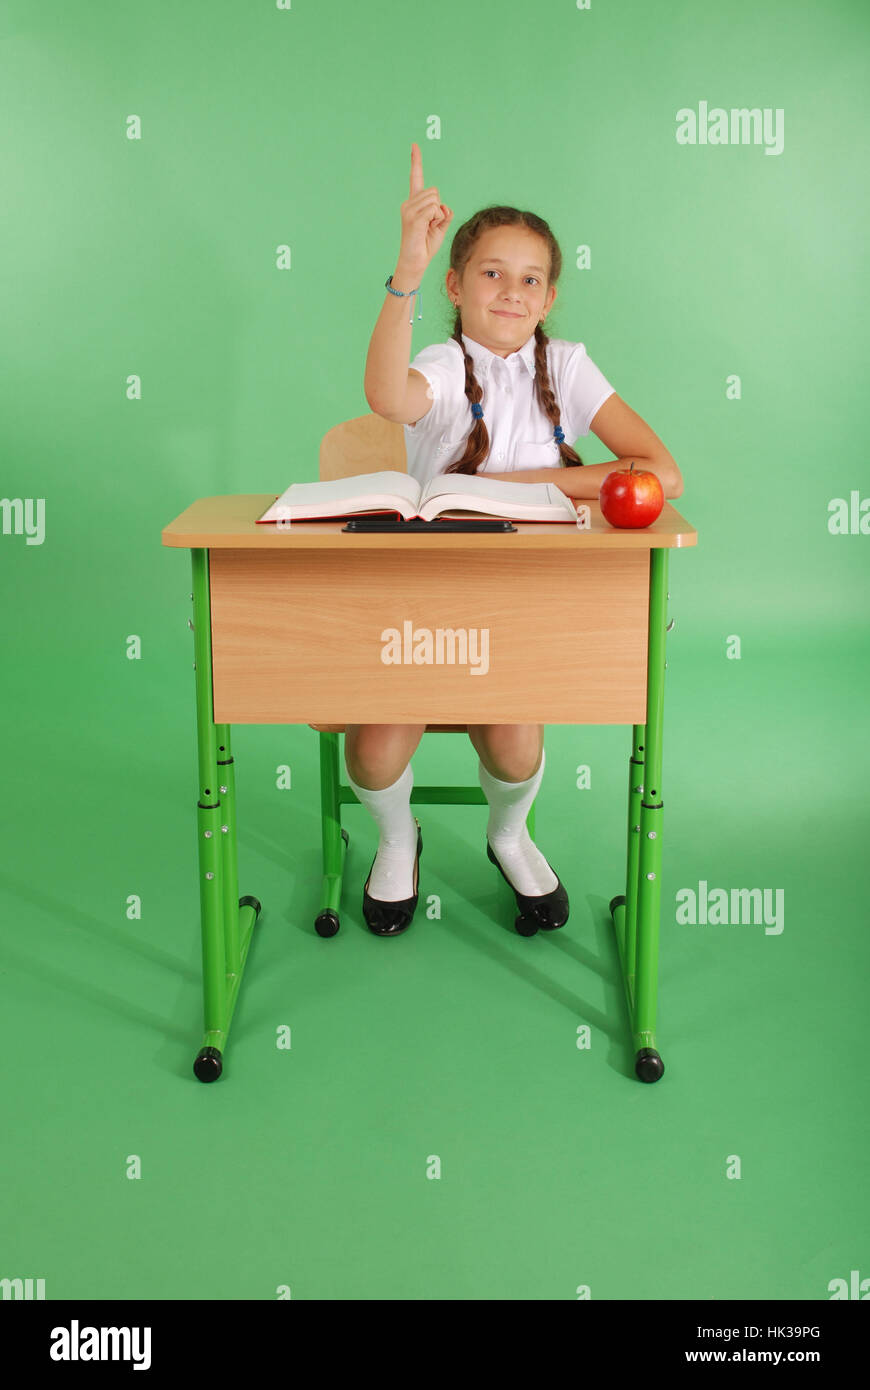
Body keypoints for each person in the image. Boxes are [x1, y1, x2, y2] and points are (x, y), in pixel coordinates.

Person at [352, 141, 683, 938]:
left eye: (530, 277)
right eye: (492, 273)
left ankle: (507, 835)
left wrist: (514, 486)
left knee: (513, 751)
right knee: (372, 757)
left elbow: (661, 474)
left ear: (549, 295)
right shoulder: (438, 359)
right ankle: (399, 839)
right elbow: (384, 394)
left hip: (528, 604)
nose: (511, 290)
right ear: (458, 285)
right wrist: (406, 271)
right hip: (426, 603)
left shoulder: (566, 365)